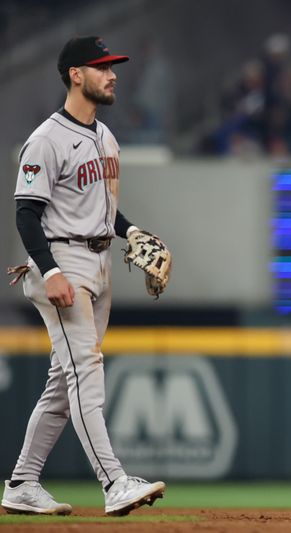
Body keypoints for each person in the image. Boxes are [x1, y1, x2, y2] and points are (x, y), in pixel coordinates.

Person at [2, 36, 166, 517]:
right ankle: (114, 481)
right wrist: (48, 270)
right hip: (62, 261)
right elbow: (26, 213)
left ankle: (22, 483)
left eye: (112, 66)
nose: (113, 74)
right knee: (86, 374)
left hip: (99, 261)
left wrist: (132, 230)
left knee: (64, 379)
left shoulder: (106, 136)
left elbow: (104, 210)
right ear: (76, 74)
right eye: (102, 67)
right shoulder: (46, 139)